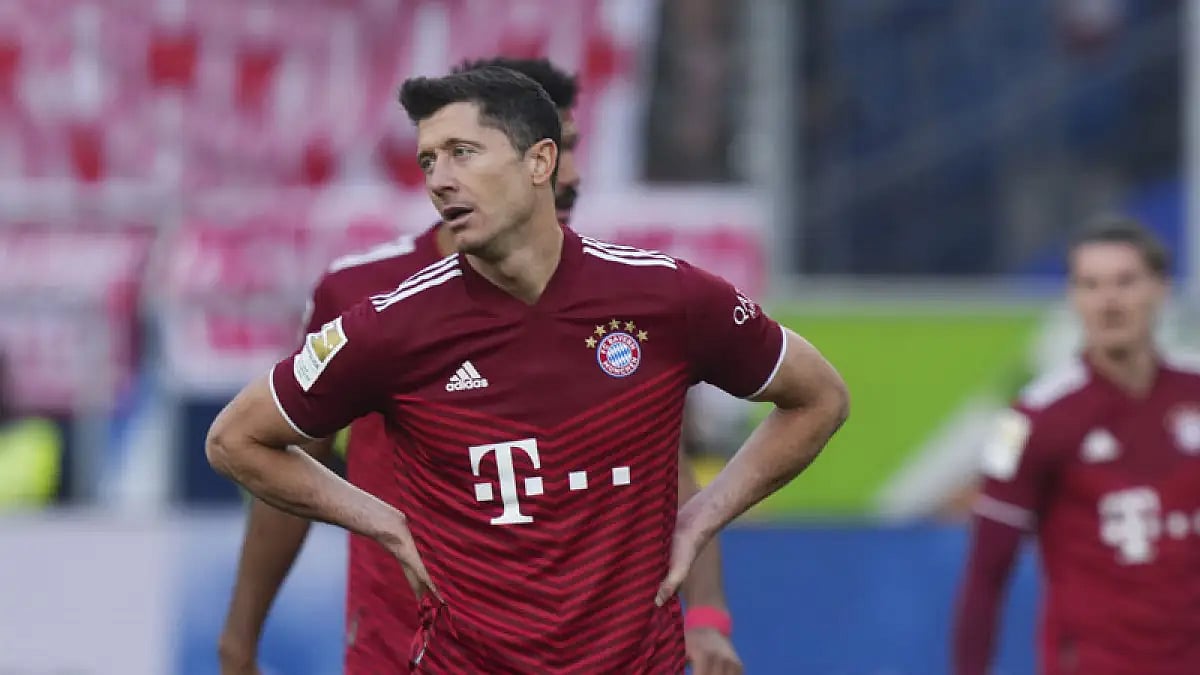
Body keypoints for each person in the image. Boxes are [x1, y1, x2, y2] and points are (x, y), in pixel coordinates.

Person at [207, 66, 847, 673]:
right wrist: (386, 523)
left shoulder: (664, 297)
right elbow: (236, 439)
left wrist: (702, 519)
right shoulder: (389, 323)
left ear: (540, 162)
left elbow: (819, 397)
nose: (439, 180)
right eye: (428, 161)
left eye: (462, 153)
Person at [953, 218, 1200, 674]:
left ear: (1161, 289)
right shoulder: (1025, 419)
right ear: (1072, 296)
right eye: (1091, 285)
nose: (1108, 302)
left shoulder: (1194, 390)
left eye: (1125, 282)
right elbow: (985, 574)